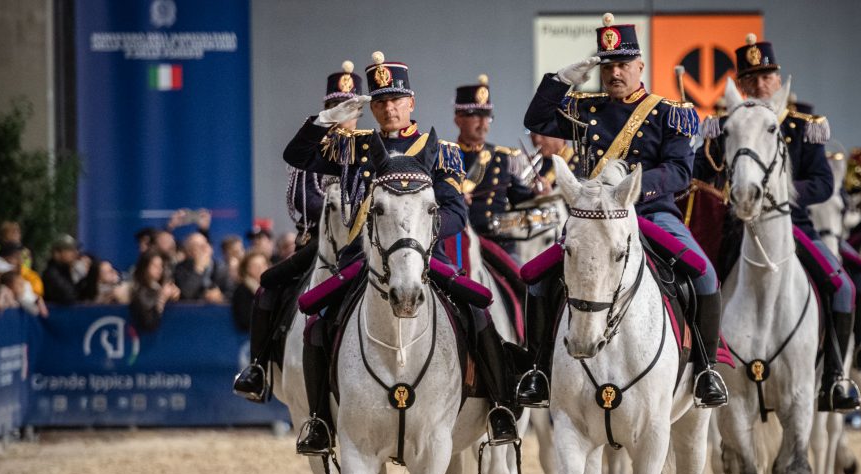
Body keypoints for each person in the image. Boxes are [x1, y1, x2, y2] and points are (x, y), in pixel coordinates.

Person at [242, 50, 519, 451]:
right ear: (372, 108)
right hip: (359, 260)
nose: (390, 108)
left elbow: (457, 212)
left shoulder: (440, 150)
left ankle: (500, 406)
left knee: (476, 312)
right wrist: (327, 120)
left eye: (396, 100)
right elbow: (296, 155)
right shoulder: (353, 147)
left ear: (411, 103)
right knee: (318, 322)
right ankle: (318, 419)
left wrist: (416, 238)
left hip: (424, 258)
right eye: (381, 101)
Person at [520, 12, 727, 409]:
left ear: (640, 67)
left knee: (704, 275)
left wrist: (629, 189)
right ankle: (539, 370)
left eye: (623, 64)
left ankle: (705, 370)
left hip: (651, 213)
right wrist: (559, 81)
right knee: (538, 280)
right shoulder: (586, 109)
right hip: (594, 221)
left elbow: (679, 171)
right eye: (608, 66)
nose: (615, 73)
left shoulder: (669, 113)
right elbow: (536, 119)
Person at [692, 34, 861, 412]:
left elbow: (823, 183)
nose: (759, 85)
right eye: (750, 79)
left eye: (766, 77)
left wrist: (781, 193)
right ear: (740, 86)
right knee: (699, 284)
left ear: (778, 80)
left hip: (792, 224)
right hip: (738, 226)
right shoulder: (725, 127)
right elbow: (700, 173)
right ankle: (702, 369)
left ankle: (835, 378)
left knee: (843, 288)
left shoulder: (803, 126)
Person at [233, 60, 367, 403]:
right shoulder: (313, 149)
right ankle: (258, 367)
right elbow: (300, 201)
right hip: (317, 244)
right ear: (327, 110)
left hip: (362, 247)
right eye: (336, 108)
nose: (344, 117)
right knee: (269, 284)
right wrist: (339, 212)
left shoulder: (367, 150)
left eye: (350, 110)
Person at [452, 75, 535, 257]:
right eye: (475, 116)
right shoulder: (445, 156)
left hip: (499, 244)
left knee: (520, 274)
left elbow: (521, 198)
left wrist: (539, 192)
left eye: (487, 117)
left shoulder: (501, 158)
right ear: (458, 119)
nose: (483, 124)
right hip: (460, 241)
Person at [129, 250, 180, 331]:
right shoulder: (138, 291)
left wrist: (174, 296)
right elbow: (149, 323)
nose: (159, 269)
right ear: (145, 267)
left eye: (161, 266)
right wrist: (162, 298)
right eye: (154, 266)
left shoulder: (159, 287)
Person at [173, 233, 232, 302]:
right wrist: (198, 269)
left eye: (206, 244)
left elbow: (231, 294)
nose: (205, 248)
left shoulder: (221, 267)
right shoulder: (180, 268)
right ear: (189, 252)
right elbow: (186, 294)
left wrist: (221, 297)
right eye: (199, 246)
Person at [232, 251, 269, 331]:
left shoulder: (271, 288)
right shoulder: (243, 290)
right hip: (249, 334)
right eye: (256, 266)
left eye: (263, 264)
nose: (261, 269)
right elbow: (245, 320)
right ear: (246, 269)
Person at [42, 234, 83, 305]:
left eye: (75, 249)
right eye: (70, 250)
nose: (76, 253)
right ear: (57, 253)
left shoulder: (65, 271)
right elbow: (68, 297)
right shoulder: (52, 274)